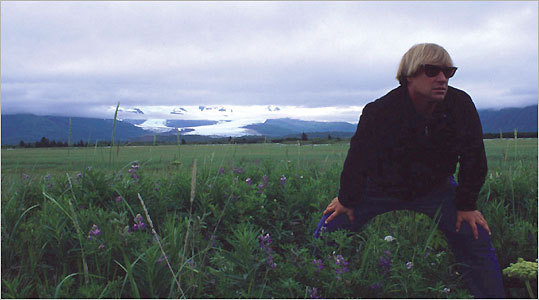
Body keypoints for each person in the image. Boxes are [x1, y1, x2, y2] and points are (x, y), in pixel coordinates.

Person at [314, 43, 505, 298]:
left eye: (448, 72)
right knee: (329, 228)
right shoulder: (380, 111)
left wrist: (466, 204)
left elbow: (474, 157)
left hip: (436, 187)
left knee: (475, 234)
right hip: (380, 187)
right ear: (409, 75)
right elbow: (358, 158)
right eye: (432, 70)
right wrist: (347, 199)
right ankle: (313, 282)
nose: (442, 79)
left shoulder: (460, 104)